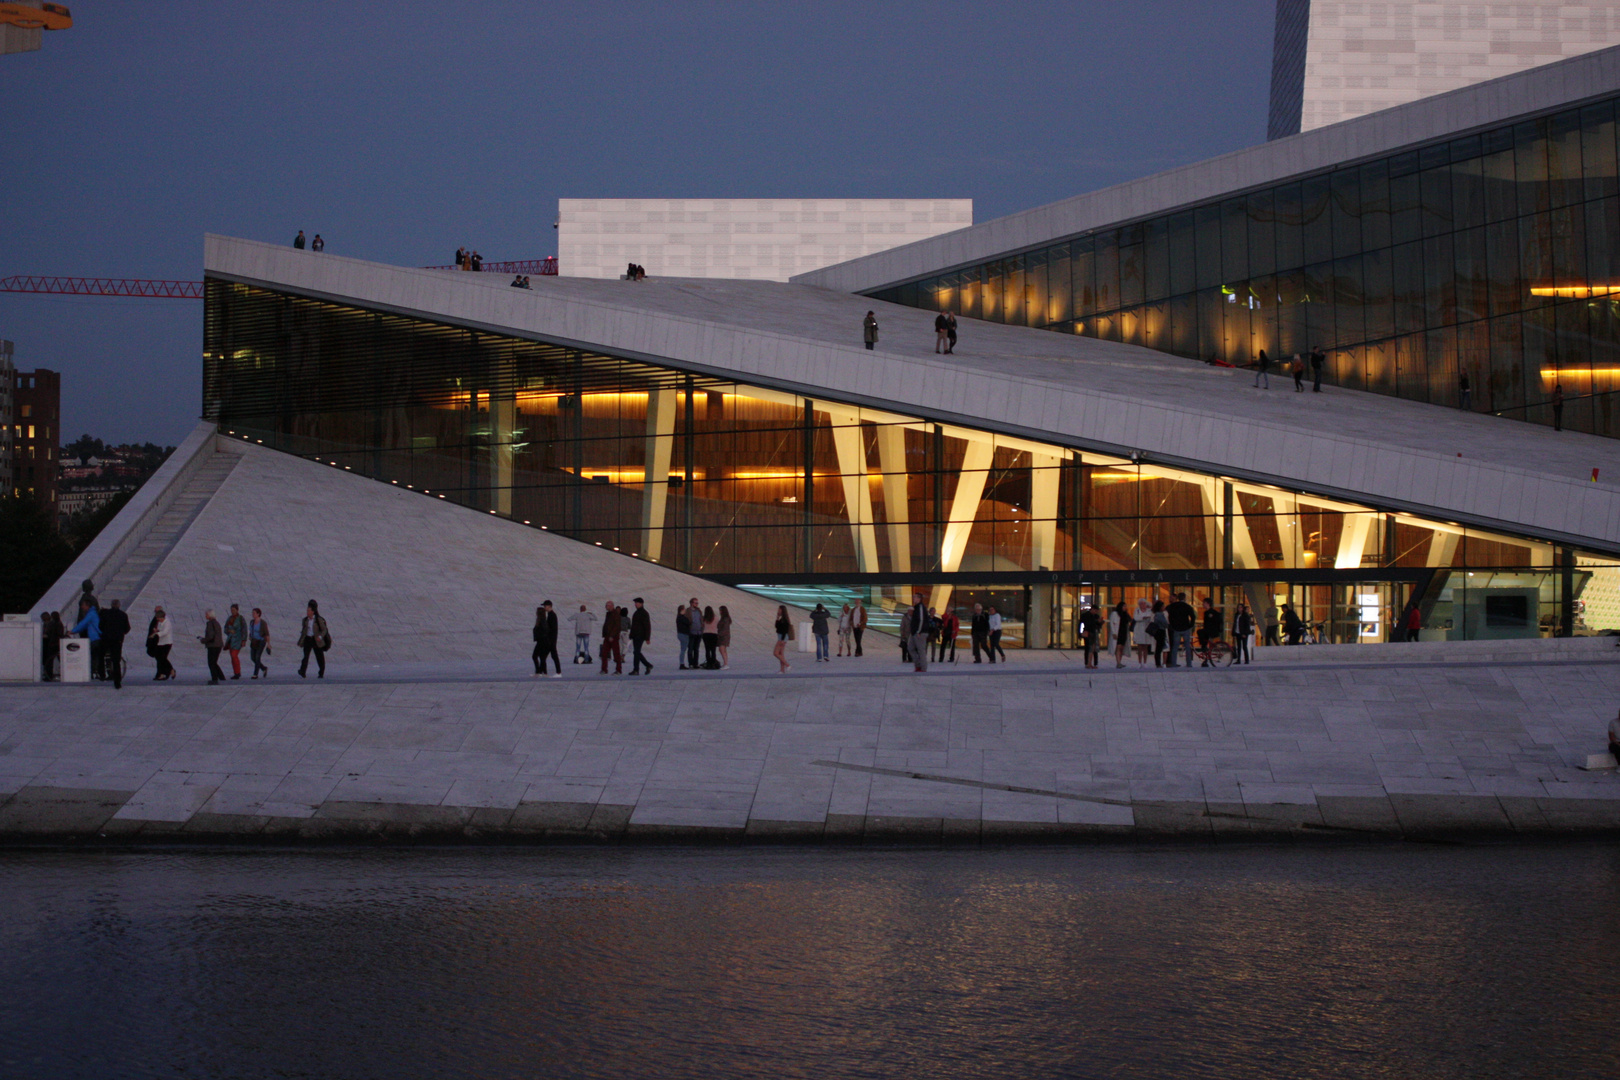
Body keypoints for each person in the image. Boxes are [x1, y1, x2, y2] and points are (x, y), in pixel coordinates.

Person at [100, 599, 130, 690]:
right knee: (116, 661)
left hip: (106, 639)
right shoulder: (123, 615)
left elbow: (100, 626)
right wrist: (121, 633)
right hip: (117, 641)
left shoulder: (105, 614)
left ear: (111, 605)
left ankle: (102, 674)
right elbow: (127, 628)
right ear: (119, 605)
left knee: (101, 655)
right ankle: (117, 682)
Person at [297, 599, 330, 678]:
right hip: (308, 639)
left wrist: (320, 636)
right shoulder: (305, 620)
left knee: (319, 656)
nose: (307, 612)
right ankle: (302, 671)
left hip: (316, 640)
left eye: (309, 611)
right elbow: (304, 630)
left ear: (313, 611)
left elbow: (324, 629)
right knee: (305, 656)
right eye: (307, 610)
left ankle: (321, 672)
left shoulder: (318, 620)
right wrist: (302, 640)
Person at [70, 600, 102, 680]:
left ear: (87, 606)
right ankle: (95, 672)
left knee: (92, 656)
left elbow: (83, 623)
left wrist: (72, 631)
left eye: (83, 605)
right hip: (96, 638)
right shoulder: (92, 613)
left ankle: (94, 673)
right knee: (94, 656)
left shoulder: (91, 614)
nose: (82, 607)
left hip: (95, 638)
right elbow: (85, 626)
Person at [1166, 592, 1196, 668]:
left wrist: (1172, 625)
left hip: (1176, 628)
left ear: (1178, 598)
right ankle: (1189, 664)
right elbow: (1193, 616)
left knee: (1175, 647)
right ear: (1185, 598)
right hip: (1185, 628)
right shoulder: (1187, 606)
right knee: (1187, 647)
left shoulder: (1173, 606)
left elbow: (1170, 617)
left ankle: (1173, 663)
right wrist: (1190, 625)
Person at [534, 601, 562, 677]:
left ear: (549, 606)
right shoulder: (550, 615)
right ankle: (540, 672)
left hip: (551, 640)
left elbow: (552, 629)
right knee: (543, 656)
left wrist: (550, 640)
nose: (544, 607)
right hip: (550, 640)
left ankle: (558, 672)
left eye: (545, 606)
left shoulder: (552, 615)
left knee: (553, 656)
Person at [199, 609, 226, 685]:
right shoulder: (216, 623)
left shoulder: (210, 623)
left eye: (206, 614)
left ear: (210, 615)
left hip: (213, 645)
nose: (205, 616)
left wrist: (203, 640)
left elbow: (210, 636)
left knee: (211, 663)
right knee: (214, 662)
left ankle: (215, 678)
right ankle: (221, 677)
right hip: (218, 645)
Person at [148, 606, 175, 680]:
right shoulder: (161, 622)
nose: (157, 619)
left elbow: (165, 632)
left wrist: (156, 634)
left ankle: (169, 670)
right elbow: (161, 630)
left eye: (158, 618)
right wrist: (157, 630)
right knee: (159, 658)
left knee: (162, 658)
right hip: (160, 643)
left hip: (167, 643)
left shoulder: (167, 622)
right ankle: (163, 673)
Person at [629, 597, 653, 675]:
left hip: (640, 636)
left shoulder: (644, 613)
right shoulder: (636, 613)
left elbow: (647, 626)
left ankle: (636, 670)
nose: (635, 604)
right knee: (636, 652)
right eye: (635, 603)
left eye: (637, 603)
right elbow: (633, 626)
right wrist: (631, 634)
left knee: (636, 652)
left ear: (641, 604)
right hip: (635, 636)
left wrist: (647, 638)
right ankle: (648, 665)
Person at [223, 603, 248, 680]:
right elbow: (225, 628)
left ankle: (238, 672)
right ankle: (236, 672)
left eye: (233, 610)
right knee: (232, 657)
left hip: (238, 640)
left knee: (234, 655)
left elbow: (244, 629)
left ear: (237, 610)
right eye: (231, 610)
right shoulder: (229, 618)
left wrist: (244, 640)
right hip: (231, 640)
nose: (232, 611)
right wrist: (229, 631)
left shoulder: (241, 618)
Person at [907, 593, 930, 672]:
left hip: (920, 632)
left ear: (919, 598)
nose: (913, 598)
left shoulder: (920, 607)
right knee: (910, 648)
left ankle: (923, 668)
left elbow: (921, 619)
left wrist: (919, 631)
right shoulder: (916, 608)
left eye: (915, 597)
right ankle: (918, 665)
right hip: (915, 632)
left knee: (921, 650)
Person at [1198, 596, 1224, 667]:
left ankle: (1203, 648)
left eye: (1204, 603)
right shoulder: (1207, 612)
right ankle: (1205, 659)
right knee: (1204, 640)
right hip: (1209, 630)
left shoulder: (1212, 613)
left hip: (1211, 631)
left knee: (1200, 632)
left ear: (1207, 603)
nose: (1202, 604)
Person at [599, 601, 623, 675]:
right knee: (604, 653)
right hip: (607, 637)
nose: (606, 607)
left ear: (612, 606)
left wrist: (612, 636)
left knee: (616, 654)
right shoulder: (608, 614)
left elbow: (617, 626)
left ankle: (618, 670)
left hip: (613, 637)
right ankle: (604, 669)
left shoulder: (615, 614)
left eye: (607, 605)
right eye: (606, 605)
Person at [1131, 597, 1155, 666]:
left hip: (1146, 630)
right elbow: (1136, 618)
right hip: (1139, 630)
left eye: (1144, 603)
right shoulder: (1137, 610)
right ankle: (1139, 662)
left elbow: (1151, 617)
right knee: (1140, 647)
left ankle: (1145, 662)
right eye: (1141, 603)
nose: (1143, 605)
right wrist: (1143, 618)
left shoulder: (1149, 610)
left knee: (1145, 647)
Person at [248, 607, 270, 679]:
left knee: (257, 657)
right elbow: (251, 631)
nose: (253, 614)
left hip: (261, 641)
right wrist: (250, 636)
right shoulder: (252, 622)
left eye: (254, 613)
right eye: (252, 613)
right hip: (254, 641)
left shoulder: (263, 623)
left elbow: (267, 634)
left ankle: (255, 674)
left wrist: (268, 644)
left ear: (258, 614)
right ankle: (263, 668)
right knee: (253, 657)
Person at [1079, 603, 1102, 669]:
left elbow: (1098, 625)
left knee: (1093, 649)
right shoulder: (1085, 615)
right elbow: (1084, 624)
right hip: (1088, 632)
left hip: (1093, 632)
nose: (1096, 612)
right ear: (1092, 609)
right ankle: (1088, 663)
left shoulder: (1096, 616)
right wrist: (1080, 633)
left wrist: (1099, 622)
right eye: (1095, 611)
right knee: (1089, 648)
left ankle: (1094, 663)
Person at [1108, 601, 1130, 669]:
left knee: (1122, 648)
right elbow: (1112, 623)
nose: (1125, 608)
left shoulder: (1125, 614)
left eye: (1126, 606)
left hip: (1124, 632)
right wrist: (1113, 633)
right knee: (1118, 647)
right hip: (1118, 632)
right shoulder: (1115, 614)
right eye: (1124, 606)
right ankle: (1118, 662)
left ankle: (1120, 661)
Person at [773, 605, 794, 673]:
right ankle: (782, 670)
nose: (778, 610)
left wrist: (782, 640)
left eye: (779, 609)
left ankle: (787, 665)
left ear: (782, 610)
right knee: (781, 654)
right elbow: (776, 626)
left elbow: (785, 631)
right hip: (781, 636)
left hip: (782, 637)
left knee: (775, 653)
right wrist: (777, 617)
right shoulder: (781, 619)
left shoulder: (785, 620)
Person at [41, 611, 61, 681]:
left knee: (49, 661)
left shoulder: (51, 624)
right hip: (57, 643)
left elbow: (48, 634)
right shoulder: (59, 624)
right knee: (59, 659)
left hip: (51, 644)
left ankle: (48, 675)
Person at [686, 596, 703, 670]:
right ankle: (691, 663)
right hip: (691, 632)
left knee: (696, 649)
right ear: (691, 603)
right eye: (695, 603)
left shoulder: (699, 611)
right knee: (690, 648)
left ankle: (696, 663)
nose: (697, 604)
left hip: (699, 632)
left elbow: (701, 620)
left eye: (697, 603)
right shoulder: (687, 611)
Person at [1151, 599, 1168, 668]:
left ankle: (1158, 663)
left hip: (1159, 631)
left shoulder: (1157, 614)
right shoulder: (1159, 615)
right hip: (1160, 631)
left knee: (1159, 648)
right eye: (1163, 606)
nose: (1164, 607)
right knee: (1159, 648)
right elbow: (1164, 623)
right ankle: (1158, 663)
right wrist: (1167, 624)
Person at [675, 603, 692, 670]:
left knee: (683, 649)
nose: (685, 610)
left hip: (681, 634)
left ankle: (682, 663)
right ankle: (682, 664)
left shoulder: (679, 617)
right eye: (684, 609)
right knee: (683, 650)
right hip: (684, 634)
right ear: (681, 610)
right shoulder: (681, 617)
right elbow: (688, 622)